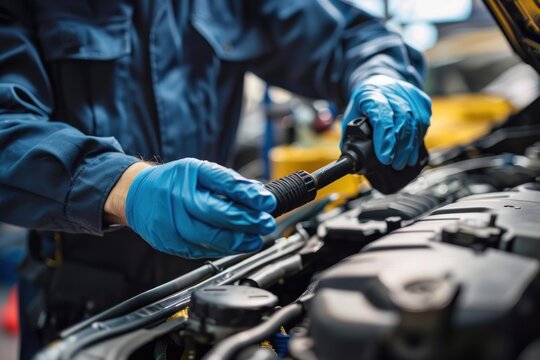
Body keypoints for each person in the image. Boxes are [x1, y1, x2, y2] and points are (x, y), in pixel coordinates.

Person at [0, 0, 431, 358]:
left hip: (218, 278)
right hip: (82, 303)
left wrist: (381, 77)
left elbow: (347, 37)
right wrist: (122, 185)